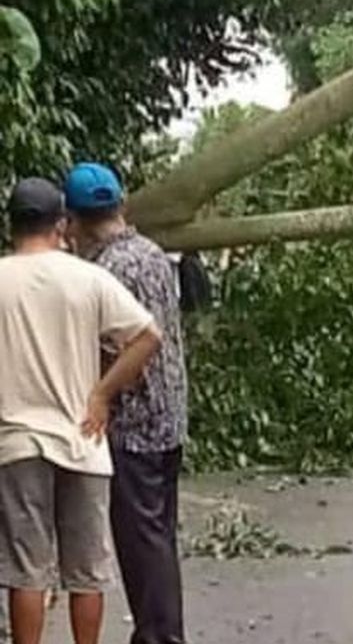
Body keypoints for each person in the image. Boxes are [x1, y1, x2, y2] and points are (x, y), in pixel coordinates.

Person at [0, 178, 161, 644]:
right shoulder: (87, 277)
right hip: (83, 439)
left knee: (27, 570)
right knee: (86, 571)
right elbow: (147, 336)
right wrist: (102, 394)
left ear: (12, 224)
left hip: (16, 442)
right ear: (62, 224)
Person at [64, 163, 189, 644]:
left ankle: (160, 637)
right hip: (170, 416)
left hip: (134, 422)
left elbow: (127, 344)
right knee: (159, 537)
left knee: (142, 544)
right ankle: (158, 632)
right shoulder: (153, 253)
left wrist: (98, 393)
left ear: (74, 221)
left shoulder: (103, 272)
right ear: (122, 204)